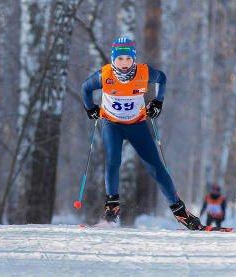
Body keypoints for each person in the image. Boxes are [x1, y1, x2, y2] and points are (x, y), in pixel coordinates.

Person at [81, 37, 202, 230]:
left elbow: (162, 78)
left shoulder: (144, 73)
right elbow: (86, 87)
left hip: (137, 124)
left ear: (134, 58)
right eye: (119, 59)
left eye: (128, 58)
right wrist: (90, 109)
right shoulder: (104, 75)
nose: (124, 63)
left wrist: (158, 102)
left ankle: (180, 211)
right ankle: (112, 208)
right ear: (113, 60)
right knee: (113, 160)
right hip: (111, 123)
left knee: (156, 168)